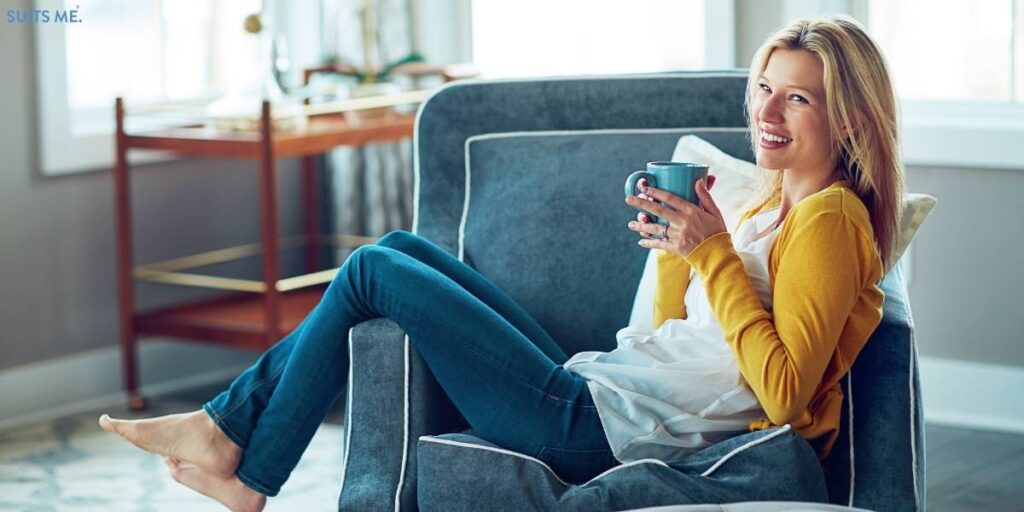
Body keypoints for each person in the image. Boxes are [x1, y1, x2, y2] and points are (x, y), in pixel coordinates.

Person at [99, 15, 903, 512]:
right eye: (764, 87)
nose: (765, 112)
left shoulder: (831, 217)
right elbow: (668, 338)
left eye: (796, 97)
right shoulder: (770, 199)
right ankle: (232, 441)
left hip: (595, 428)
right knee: (398, 252)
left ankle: (241, 456)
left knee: (373, 274)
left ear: (848, 115)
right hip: (604, 390)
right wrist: (679, 251)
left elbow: (785, 388)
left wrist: (714, 252)